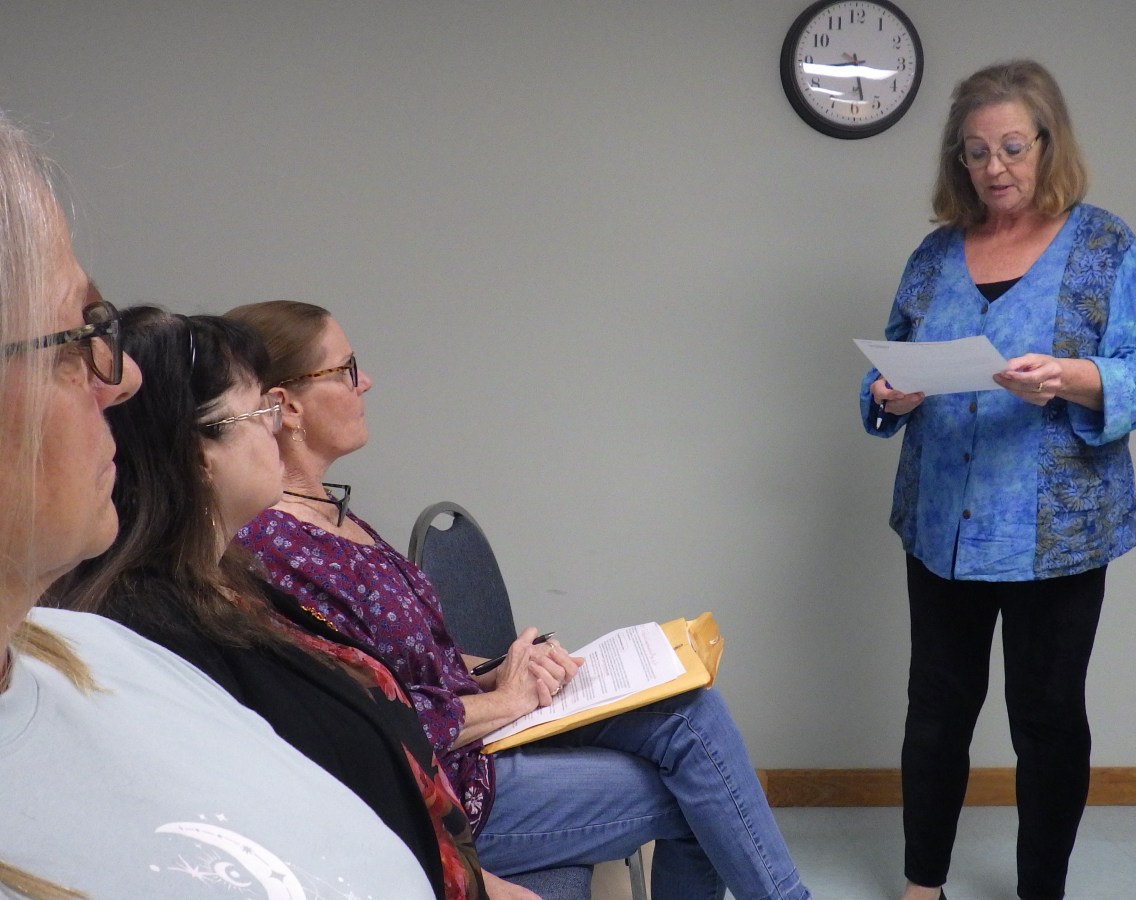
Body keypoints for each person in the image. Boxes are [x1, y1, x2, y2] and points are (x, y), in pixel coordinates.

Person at [227, 300, 812, 900]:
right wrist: (507, 699)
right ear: (287, 405)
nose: (366, 382)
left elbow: (412, 664)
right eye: (346, 369)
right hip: (443, 795)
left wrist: (500, 669)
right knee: (706, 793)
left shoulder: (329, 514)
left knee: (692, 712)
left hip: (475, 747)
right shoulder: (274, 547)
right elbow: (365, 722)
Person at [0, 111, 436, 898]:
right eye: (74, 338)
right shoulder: (157, 627)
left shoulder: (105, 651)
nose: (121, 381)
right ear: (199, 448)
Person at [47, 306, 525, 900]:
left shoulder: (230, 583)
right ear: (199, 453)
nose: (276, 428)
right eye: (260, 412)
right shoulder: (166, 633)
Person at [860, 60, 1136, 900]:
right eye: (975, 151)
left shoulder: (1105, 246)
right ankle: (923, 886)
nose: (993, 167)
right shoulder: (934, 256)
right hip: (941, 526)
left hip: (1058, 533)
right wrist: (888, 393)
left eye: (1011, 147)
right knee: (935, 712)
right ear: (957, 159)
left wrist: (1068, 377)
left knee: (1047, 719)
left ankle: (1042, 891)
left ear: (1047, 142)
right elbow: (887, 368)